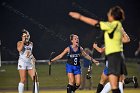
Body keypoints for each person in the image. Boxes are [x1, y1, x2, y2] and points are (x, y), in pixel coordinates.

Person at [69, 6, 127, 93]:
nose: (108, 14)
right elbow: (125, 39)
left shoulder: (111, 25)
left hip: (113, 58)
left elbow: (95, 23)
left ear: (113, 16)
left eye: (109, 12)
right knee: (116, 85)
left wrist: (80, 17)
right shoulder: (119, 26)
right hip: (120, 57)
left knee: (114, 86)